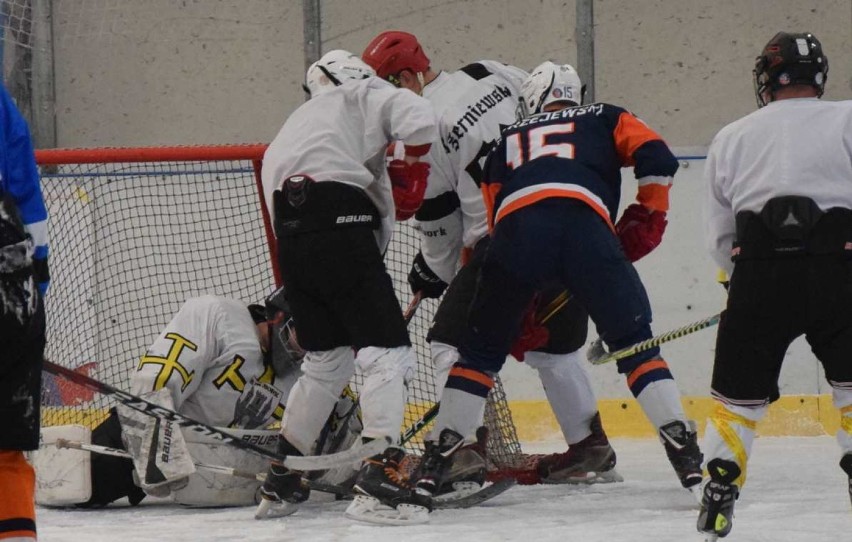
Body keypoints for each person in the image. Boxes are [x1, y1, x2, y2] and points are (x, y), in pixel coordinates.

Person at [411, 61, 703, 500]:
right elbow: (657, 157)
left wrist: (511, 302)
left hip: (516, 237)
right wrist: (650, 211)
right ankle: (683, 450)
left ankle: (440, 460)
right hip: (588, 233)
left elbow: (493, 227)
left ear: (533, 100)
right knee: (636, 345)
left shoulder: (506, 139)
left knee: (477, 355)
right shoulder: (604, 115)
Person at [362, 31, 619, 486]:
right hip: (570, 226)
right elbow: (544, 114)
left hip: (507, 239)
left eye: (385, 88)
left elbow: (440, 226)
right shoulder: (490, 71)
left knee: (449, 341)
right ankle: (589, 446)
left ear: (405, 77)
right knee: (553, 348)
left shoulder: (421, 122)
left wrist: (432, 269)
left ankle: (461, 449)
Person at [258, 49, 438, 523]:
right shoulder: (363, 91)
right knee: (388, 355)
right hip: (343, 227)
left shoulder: (292, 127)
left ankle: (282, 477)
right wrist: (412, 162)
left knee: (326, 361)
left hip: (293, 241)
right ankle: (382, 478)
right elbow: (421, 119)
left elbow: (288, 208)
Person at [700, 31, 851, 538]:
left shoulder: (732, 135)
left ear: (767, 77)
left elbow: (720, 236)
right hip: (840, 272)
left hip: (759, 276)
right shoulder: (850, 118)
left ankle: (719, 490)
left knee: (738, 398)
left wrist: (740, 285)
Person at [34, 291, 361, 508]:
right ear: (277, 317)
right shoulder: (219, 316)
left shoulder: (307, 376)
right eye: (300, 336)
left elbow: (344, 435)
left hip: (211, 471)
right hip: (138, 443)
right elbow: (157, 378)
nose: (302, 350)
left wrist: (363, 464)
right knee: (68, 483)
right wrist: (157, 454)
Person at [0, 84, 48, 542]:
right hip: (16, 284)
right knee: (5, 450)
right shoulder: (0, 101)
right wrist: (39, 286)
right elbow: (25, 188)